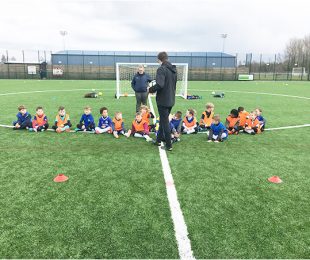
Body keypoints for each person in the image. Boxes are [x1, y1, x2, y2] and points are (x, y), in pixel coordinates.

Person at [148, 52, 177, 151]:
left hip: (163, 100)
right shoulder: (173, 69)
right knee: (163, 120)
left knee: (164, 123)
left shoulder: (161, 69)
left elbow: (160, 84)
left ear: (159, 59)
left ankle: (169, 145)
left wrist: (150, 89)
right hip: (171, 99)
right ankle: (158, 140)